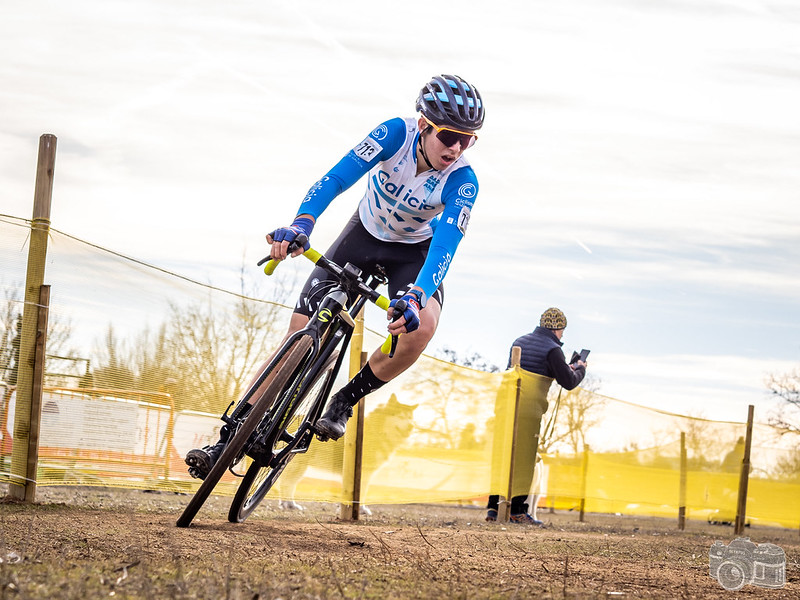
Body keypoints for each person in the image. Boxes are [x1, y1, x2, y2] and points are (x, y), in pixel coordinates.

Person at [186, 74, 485, 479]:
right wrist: (302, 224)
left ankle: (344, 400)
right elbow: (337, 177)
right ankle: (228, 438)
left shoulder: (464, 181)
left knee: (422, 328)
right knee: (295, 341)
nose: (456, 148)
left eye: (467, 140)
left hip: (413, 254)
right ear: (423, 125)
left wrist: (416, 296)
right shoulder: (394, 133)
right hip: (363, 234)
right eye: (450, 135)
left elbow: (445, 247)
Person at [486, 307, 587, 524]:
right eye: (562, 331)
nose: (562, 336)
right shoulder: (553, 349)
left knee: (502, 456)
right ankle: (518, 511)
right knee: (524, 459)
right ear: (558, 329)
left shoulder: (519, 341)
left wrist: (562, 367)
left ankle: (494, 509)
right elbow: (568, 382)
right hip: (527, 411)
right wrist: (580, 369)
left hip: (504, 405)